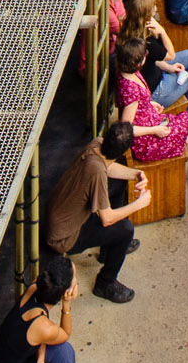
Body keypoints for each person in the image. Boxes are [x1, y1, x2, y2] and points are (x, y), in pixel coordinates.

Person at [114, 34, 188, 202]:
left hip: (152, 123)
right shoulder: (131, 89)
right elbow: (126, 128)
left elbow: (138, 105)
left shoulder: (126, 74)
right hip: (148, 141)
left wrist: (149, 105)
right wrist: (155, 129)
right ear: (139, 62)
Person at [44, 120, 150, 302]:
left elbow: (108, 167)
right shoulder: (96, 172)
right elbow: (107, 218)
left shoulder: (97, 143)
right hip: (64, 237)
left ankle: (109, 249)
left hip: (61, 217)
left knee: (118, 183)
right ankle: (105, 283)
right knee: (125, 230)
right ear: (123, 152)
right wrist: (139, 204)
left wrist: (135, 174)